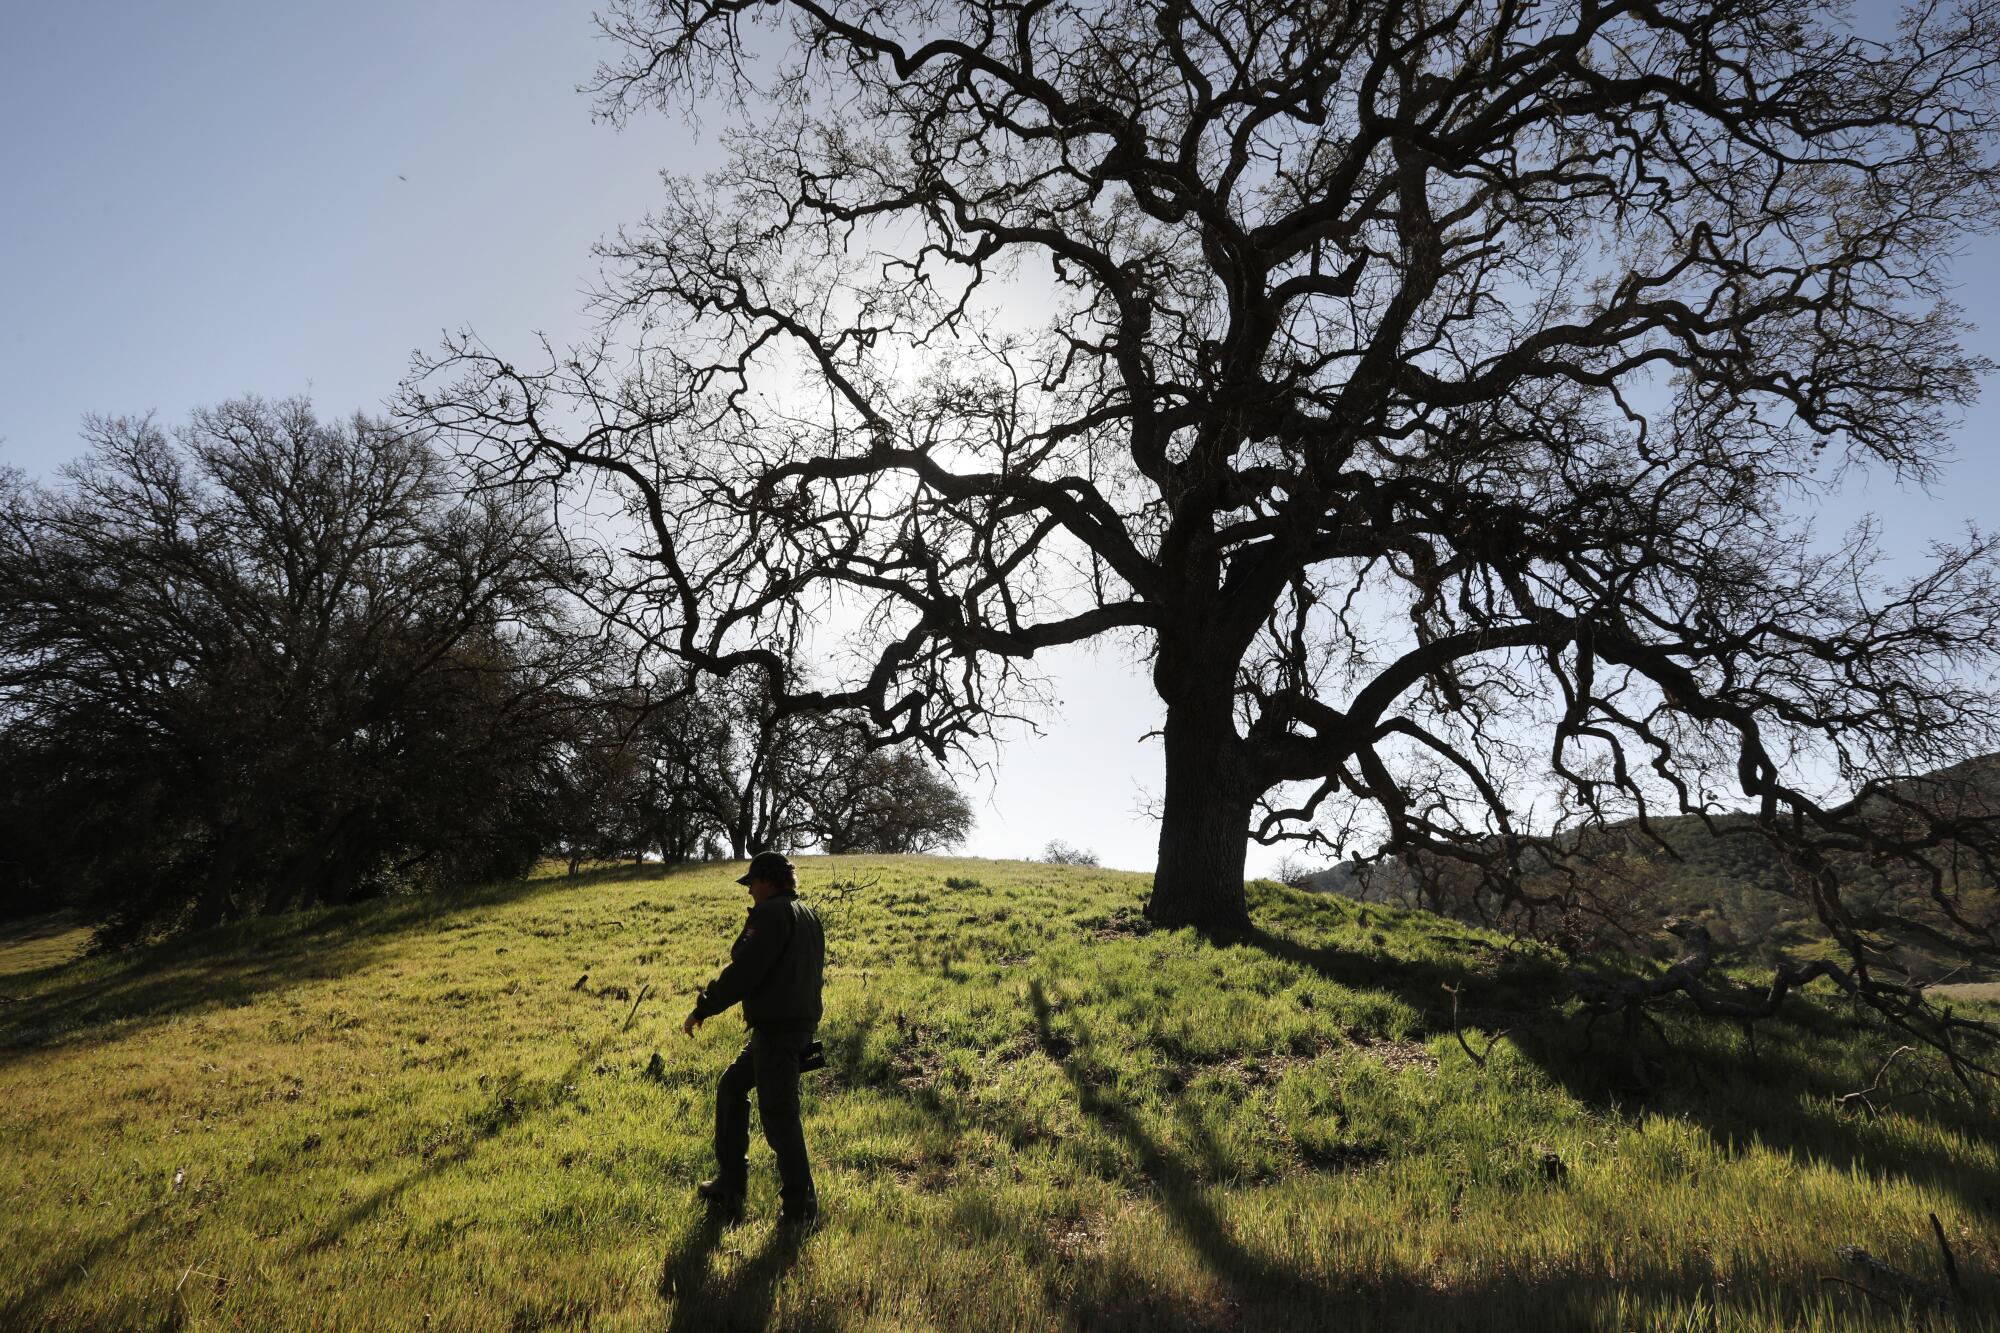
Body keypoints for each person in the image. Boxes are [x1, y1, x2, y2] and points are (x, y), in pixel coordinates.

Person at [681, 850, 825, 1224]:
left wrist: (704, 1008)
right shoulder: (808, 915)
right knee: (732, 1086)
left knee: (780, 1117)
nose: (749, 893)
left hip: (778, 1030)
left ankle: (801, 1209)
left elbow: (745, 971)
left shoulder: (772, 913)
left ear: (767, 880)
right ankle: (731, 1183)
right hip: (794, 1026)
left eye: (752, 885)